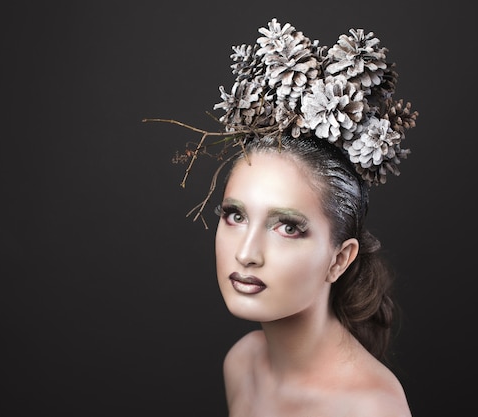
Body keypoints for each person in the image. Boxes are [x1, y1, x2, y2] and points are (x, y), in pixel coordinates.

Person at [145, 17, 418, 416]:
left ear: (339, 259)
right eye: (235, 216)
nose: (247, 253)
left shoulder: (370, 408)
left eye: (287, 227)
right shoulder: (242, 364)